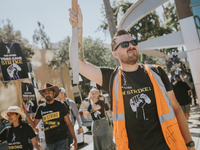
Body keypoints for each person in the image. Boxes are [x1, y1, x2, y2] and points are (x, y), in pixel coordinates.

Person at [68, 6, 195, 150]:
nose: (131, 46)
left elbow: (176, 108)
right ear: (115, 54)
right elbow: (77, 64)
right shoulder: (111, 78)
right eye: (124, 44)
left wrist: (189, 143)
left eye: (133, 42)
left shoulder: (157, 72)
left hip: (167, 146)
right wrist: (77, 28)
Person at [23, 83, 77, 150]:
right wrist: (26, 113)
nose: (47, 94)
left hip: (62, 140)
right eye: (45, 93)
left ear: (54, 93)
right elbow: (34, 125)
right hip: (49, 142)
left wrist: (75, 139)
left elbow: (69, 123)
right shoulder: (41, 108)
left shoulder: (61, 105)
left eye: (49, 92)